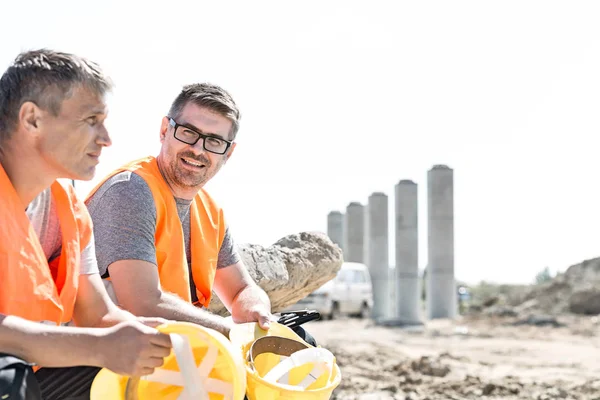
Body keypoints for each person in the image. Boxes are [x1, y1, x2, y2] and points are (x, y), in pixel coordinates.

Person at [0, 49, 172, 400]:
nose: (106, 138)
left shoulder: (69, 210)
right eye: (91, 120)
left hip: (32, 372)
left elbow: (97, 315)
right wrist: (97, 347)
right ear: (32, 119)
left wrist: (155, 339)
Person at [85, 83, 316, 343]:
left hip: (161, 347)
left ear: (228, 152)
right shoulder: (130, 191)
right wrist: (231, 331)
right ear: (164, 131)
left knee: (300, 341)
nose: (197, 149)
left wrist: (257, 311)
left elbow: (241, 289)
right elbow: (142, 303)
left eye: (214, 141)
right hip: (88, 357)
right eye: (188, 132)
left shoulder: (210, 212)